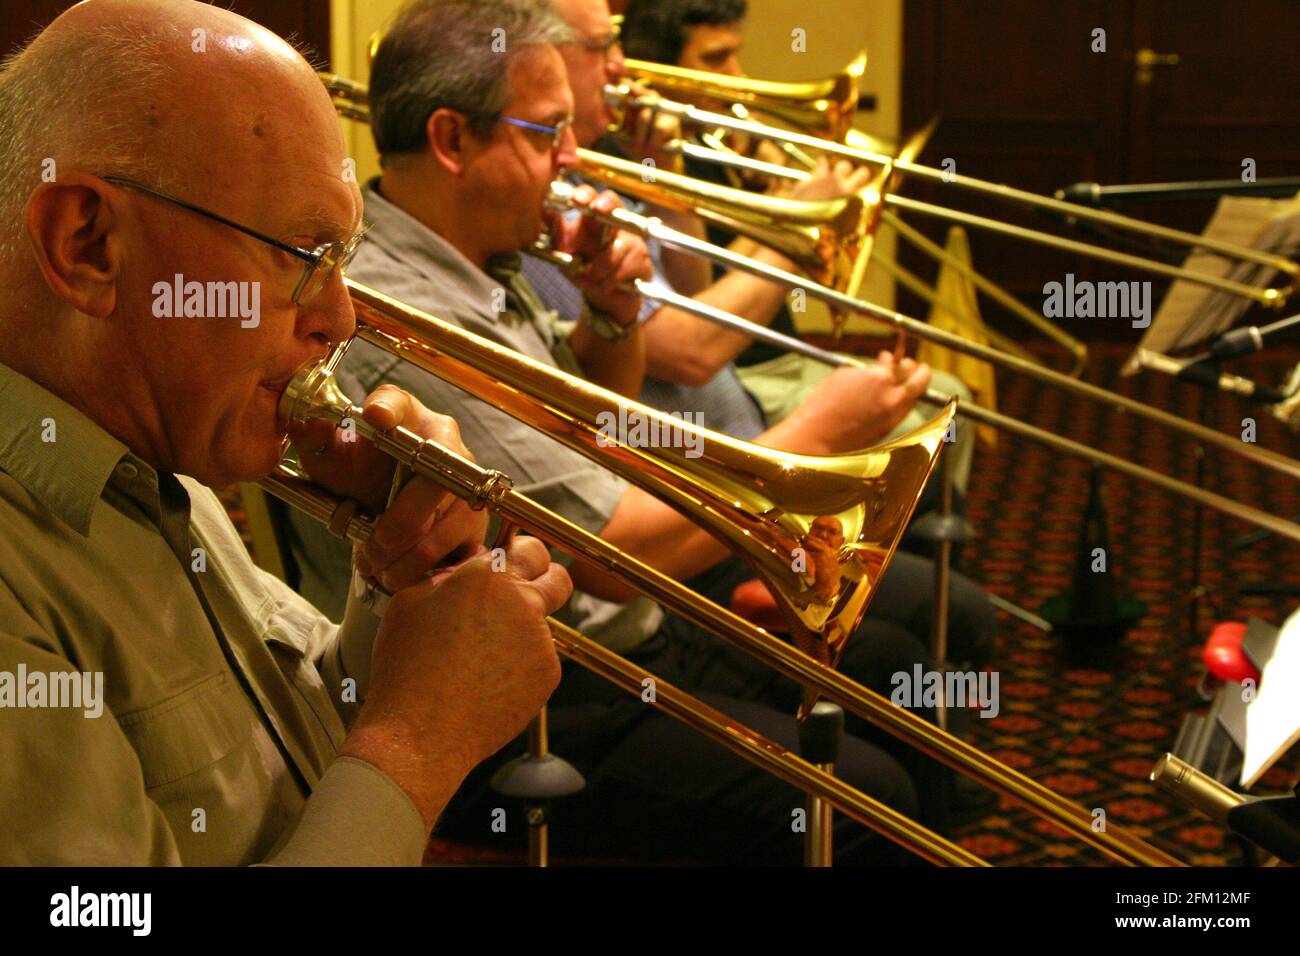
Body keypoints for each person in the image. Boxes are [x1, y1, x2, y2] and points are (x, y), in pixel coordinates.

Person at [288, 0, 989, 864]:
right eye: (548, 132)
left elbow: (597, 434)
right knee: (869, 804)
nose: (574, 158)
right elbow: (603, 555)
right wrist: (808, 438)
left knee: (894, 667)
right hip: (527, 697)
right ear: (452, 142)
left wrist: (613, 323)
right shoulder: (406, 313)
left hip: (608, 630)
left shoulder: (481, 258)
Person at [0, 0, 571, 866]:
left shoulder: (161, 458)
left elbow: (301, 738)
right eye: (305, 255)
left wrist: (400, 582)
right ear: (87, 244)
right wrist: (418, 743)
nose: (341, 317)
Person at [612, 0, 977, 500]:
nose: (737, 77)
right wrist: (790, 212)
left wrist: (770, 179)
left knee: (956, 406)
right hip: (737, 376)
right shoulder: (636, 156)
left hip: (773, 351)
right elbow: (700, 303)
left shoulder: (711, 139)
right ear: (660, 67)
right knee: (928, 427)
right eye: (716, 59)